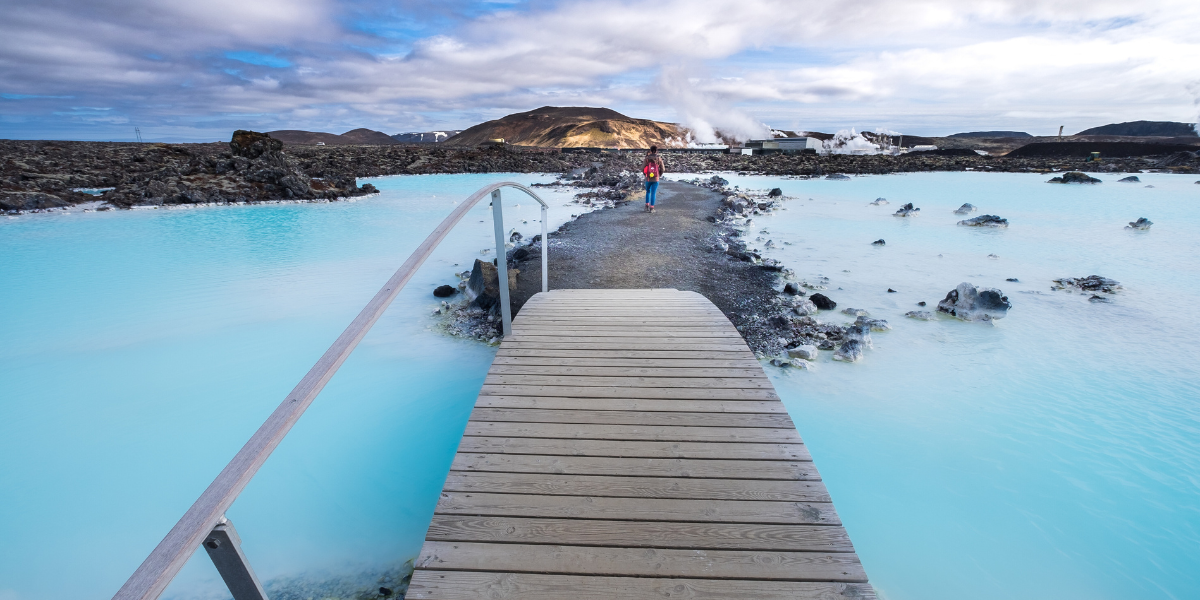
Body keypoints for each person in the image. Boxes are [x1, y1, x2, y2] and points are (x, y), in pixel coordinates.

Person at [642, 145, 665, 213]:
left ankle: (646, 206)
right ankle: (652, 208)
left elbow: (642, 168)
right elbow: (663, 169)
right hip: (656, 179)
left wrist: (645, 175)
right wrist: (659, 175)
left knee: (648, 192)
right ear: (656, 151)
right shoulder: (659, 159)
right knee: (653, 193)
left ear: (651, 150)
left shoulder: (647, 159)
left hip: (648, 179)